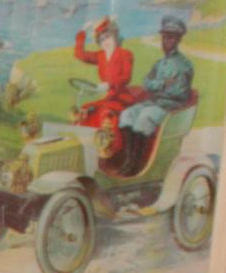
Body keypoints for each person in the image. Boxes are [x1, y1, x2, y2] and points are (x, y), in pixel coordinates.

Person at [118, 16, 195, 169]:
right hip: (154, 103)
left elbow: (178, 92)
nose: (165, 41)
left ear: (178, 39)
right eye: (164, 37)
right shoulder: (159, 64)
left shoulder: (184, 65)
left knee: (145, 116)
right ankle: (129, 160)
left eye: (170, 38)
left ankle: (138, 164)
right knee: (127, 114)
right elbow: (146, 83)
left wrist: (157, 87)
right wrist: (162, 84)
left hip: (171, 108)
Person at [70, 17, 134, 156]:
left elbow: (126, 77)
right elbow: (79, 54)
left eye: (108, 37)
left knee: (106, 114)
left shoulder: (125, 54)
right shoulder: (100, 56)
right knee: (85, 109)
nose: (106, 41)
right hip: (108, 98)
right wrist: (82, 32)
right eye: (101, 39)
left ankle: (111, 149)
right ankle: (87, 147)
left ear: (115, 36)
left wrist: (109, 85)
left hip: (122, 98)